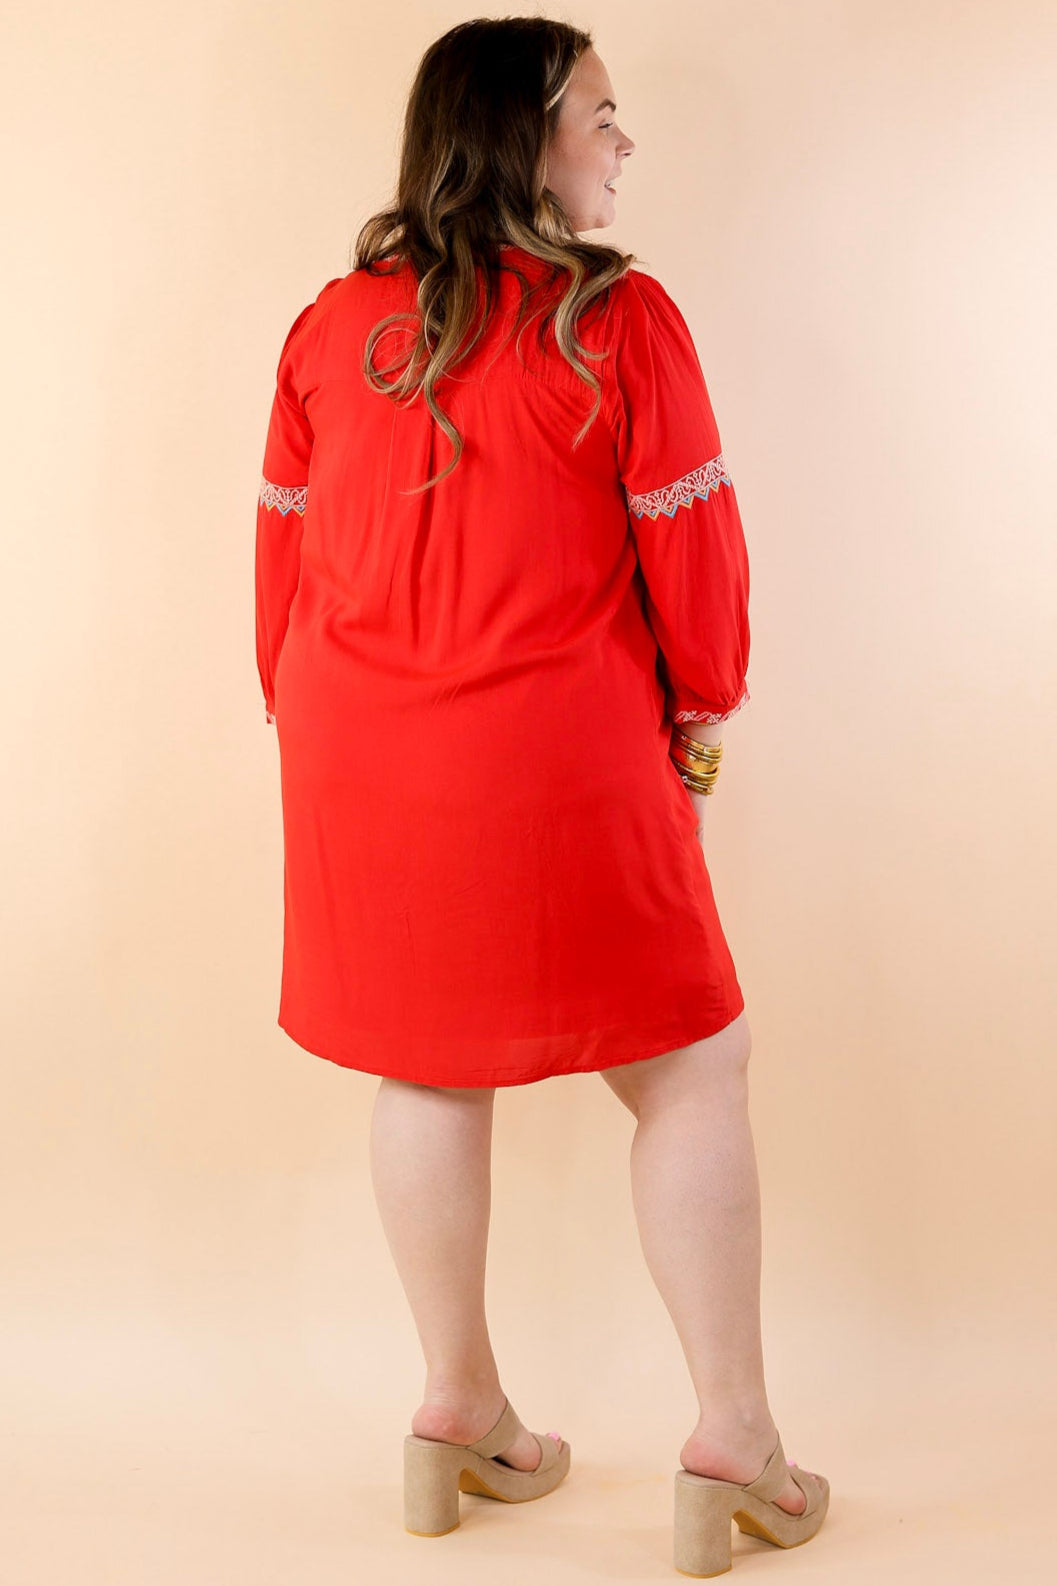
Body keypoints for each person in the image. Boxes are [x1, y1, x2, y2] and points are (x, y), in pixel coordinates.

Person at [254, 15, 829, 1574]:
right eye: (598, 113)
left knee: (424, 1062)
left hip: (353, 746)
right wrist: (700, 717)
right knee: (693, 1062)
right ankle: (735, 1443)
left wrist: (314, 732)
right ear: (520, 136)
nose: (621, 141)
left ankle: (455, 1409)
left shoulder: (327, 325)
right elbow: (692, 558)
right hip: (553, 749)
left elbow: (282, 557)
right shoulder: (615, 317)